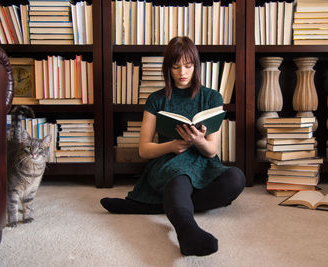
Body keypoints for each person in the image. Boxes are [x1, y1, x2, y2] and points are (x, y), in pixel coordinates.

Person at [101, 36, 245, 256]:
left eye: (188, 66)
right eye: (176, 67)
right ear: (167, 68)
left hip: (202, 162)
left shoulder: (212, 98)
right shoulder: (156, 99)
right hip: (169, 161)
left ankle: (152, 205)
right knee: (179, 178)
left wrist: (198, 141)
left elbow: (212, 150)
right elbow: (144, 149)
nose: (182, 73)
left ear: (196, 66)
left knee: (236, 179)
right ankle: (187, 230)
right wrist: (171, 147)